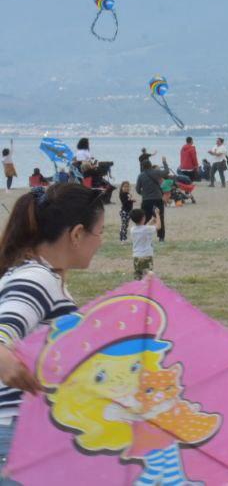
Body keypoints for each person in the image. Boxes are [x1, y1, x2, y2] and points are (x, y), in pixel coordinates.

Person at [0, 184, 106, 469]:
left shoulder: (39, 275)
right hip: (17, 436)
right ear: (76, 234)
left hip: (30, 437)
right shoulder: (37, 278)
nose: (101, 242)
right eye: (100, 232)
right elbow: (4, 328)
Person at [135, 157, 170, 242]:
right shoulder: (156, 172)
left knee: (144, 218)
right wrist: (164, 162)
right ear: (151, 165)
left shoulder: (141, 175)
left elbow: (137, 189)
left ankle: (141, 235)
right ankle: (161, 237)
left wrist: (143, 194)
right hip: (157, 199)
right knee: (160, 217)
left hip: (146, 200)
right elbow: (166, 171)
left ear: (142, 167)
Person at [128, 209, 158, 280]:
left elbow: (144, 228)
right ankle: (147, 290)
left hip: (136, 257)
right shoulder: (146, 229)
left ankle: (137, 289)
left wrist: (151, 221)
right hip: (147, 256)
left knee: (138, 276)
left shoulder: (132, 229)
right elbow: (158, 226)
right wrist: (158, 215)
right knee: (148, 276)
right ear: (143, 218)